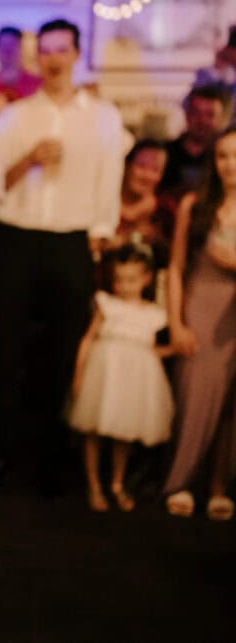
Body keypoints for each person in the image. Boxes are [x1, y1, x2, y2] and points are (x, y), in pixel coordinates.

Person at [0, 18, 126, 495]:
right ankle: (3, 455)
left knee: (62, 352)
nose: (53, 58)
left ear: (76, 54)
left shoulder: (103, 117)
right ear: (36, 57)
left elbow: (110, 180)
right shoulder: (14, 115)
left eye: (62, 49)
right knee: (5, 349)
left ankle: (51, 461)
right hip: (16, 238)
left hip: (71, 241)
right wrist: (29, 160)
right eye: (45, 50)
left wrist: (101, 232)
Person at [162, 125, 236, 521]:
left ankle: (219, 486)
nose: (230, 165)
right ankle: (181, 481)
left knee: (229, 405)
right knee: (195, 394)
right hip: (201, 306)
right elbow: (175, 267)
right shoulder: (196, 204)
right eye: (223, 156)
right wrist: (176, 322)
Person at [69, 243, 175, 512]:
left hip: (133, 381)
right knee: (94, 429)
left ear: (146, 279)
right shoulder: (107, 305)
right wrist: (78, 376)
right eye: (119, 279)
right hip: (104, 377)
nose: (124, 286)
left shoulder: (153, 314)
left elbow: (151, 351)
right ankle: (93, 484)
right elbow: (88, 339)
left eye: (131, 279)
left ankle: (117, 482)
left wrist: (175, 349)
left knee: (124, 432)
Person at [158, 85, 230, 236]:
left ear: (223, 118)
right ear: (186, 113)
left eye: (210, 114)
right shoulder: (165, 153)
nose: (202, 120)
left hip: (211, 235)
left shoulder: (227, 159)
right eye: (196, 113)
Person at [0, 26, 42, 102]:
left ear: (20, 48)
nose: (8, 52)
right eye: (4, 46)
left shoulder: (37, 86)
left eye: (12, 46)